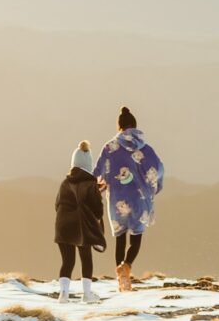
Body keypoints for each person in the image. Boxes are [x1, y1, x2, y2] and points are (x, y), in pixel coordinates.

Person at [95, 106, 165, 292]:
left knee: (120, 238)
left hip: (117, 199)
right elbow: (157, 169)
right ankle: (127, 266)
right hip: (139, 199)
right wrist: (153, 186)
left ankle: (122, 280)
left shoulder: (110, 147)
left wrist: (93, 184)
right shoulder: (146, 148)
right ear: (134, 125)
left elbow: (98, 171)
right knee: (136, 237)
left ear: (119, 127)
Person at [53, 139, 106, 302]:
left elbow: (57, 205)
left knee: (67, 261)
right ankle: (87, 294)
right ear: (89, 165)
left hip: (62, 225)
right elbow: (97, 210)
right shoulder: (91, 184)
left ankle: (63, 294)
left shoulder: (65, 182)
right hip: (83, 227)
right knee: (86, 258)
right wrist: (98, 193)